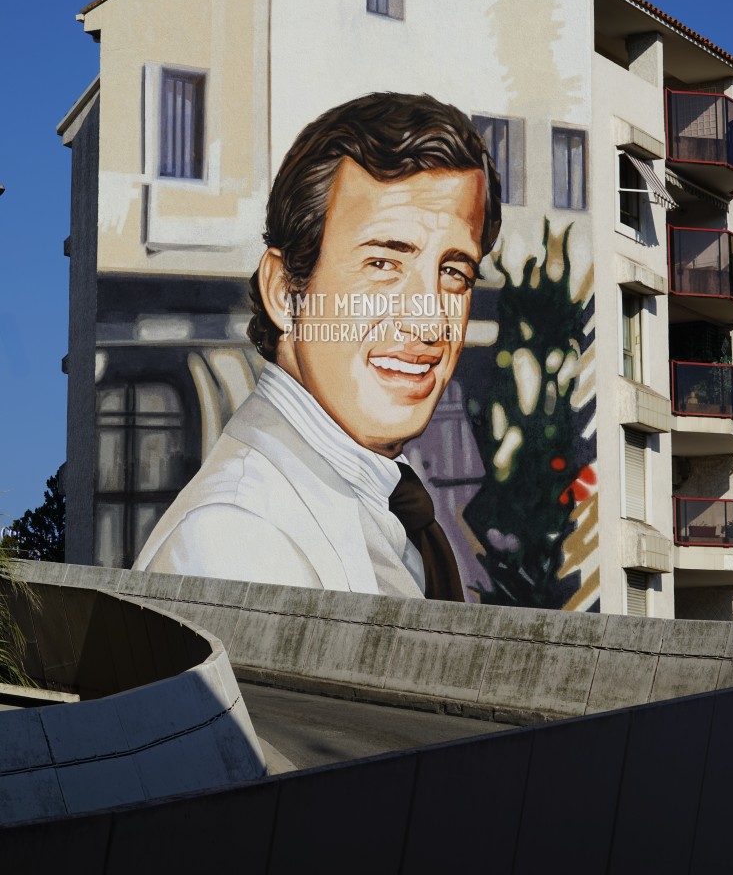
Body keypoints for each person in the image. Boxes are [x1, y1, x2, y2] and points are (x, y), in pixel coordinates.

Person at [134, 92, 502, 600]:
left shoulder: (387, 503)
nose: (430, 320)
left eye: (454, 273)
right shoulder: (237, 539)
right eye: (383, 264)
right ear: (285, 292)